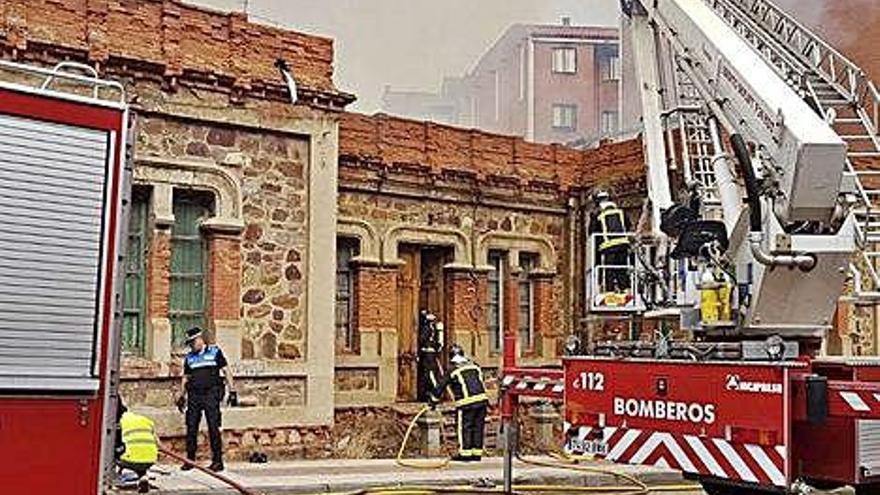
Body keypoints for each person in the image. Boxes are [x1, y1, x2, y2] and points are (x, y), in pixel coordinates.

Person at [175, 327, 237, 472]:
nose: (191, 345)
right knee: (191, 427)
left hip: (211, 393)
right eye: (189, 343)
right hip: (194, 395)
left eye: (193, 342)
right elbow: (186, 377)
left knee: (213, 427)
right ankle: (190, 460)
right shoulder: (189, 357)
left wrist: (232, 390)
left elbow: (226, 370)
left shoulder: (215, 352)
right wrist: (181, 394)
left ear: (200, 339)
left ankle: (217, 461)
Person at [429, 345, 488, 462]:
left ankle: (465, 453)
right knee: (478, 427)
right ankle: (476, 453)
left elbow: (440, 387)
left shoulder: (453, 369)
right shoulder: (475, 366)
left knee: (465, 428)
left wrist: (433, 402)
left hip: (466, 403)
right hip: (482, 401)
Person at [589, 190, 631, 293]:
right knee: (622, 269)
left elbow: (592, 231)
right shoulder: (620, 211)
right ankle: (625, 290)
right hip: (623, 245)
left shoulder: (597, 213)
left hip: (608, 247)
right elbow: (628, 225)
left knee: (609, 271)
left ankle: (609, 292)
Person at [116, 398, 158, 493]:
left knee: (113, 449)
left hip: (129, 460)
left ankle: (115, 476)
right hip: (151, 460)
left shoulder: (117, 421)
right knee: (141, 457)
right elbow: (158, 444)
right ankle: (143, 477)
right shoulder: (145, 420)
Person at [417, 310, 444, 401]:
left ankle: (436, 393)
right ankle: (426, 395)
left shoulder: (427, 327)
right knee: (427, 374)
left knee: (429, 374)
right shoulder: (433, 327)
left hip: (428, 355)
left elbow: (422, 339)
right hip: (429, 354)